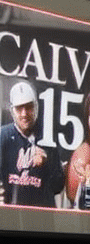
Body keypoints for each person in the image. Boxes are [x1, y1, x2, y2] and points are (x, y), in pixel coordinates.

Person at [0, 79, 66, 207]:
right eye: (19, 108)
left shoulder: (47, 138)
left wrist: (47, 163)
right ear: (12, 110)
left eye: (29, 107)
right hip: (11, 218)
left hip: (41, 218)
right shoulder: (3, 136)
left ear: (36, 106)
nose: (24, 114)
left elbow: (58, 186)